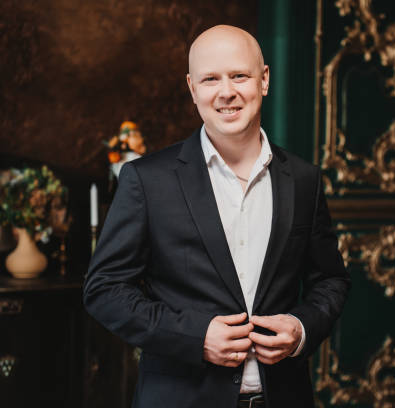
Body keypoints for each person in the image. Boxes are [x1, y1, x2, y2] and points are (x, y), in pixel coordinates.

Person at [83, 25, 350, 408]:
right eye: (211, 79)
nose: (227, 92)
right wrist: (195, 336)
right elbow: (104, 289)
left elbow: (331, 279)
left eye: (239, 75)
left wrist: (302, 328)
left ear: (264, 80)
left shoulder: (304, 179)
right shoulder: (146, 180)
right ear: (193, 89)